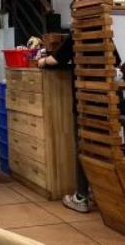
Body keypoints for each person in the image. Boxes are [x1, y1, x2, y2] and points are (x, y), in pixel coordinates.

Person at [36, 34, 92, 213]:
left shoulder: (78, 34)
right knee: (100, 148)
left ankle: (81, 196)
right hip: (105, 100)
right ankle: (99, 191)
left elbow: (55, 60)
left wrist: (42, 61)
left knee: (83, 148)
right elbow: (117, 61)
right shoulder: (104, 37)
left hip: (84, 101)